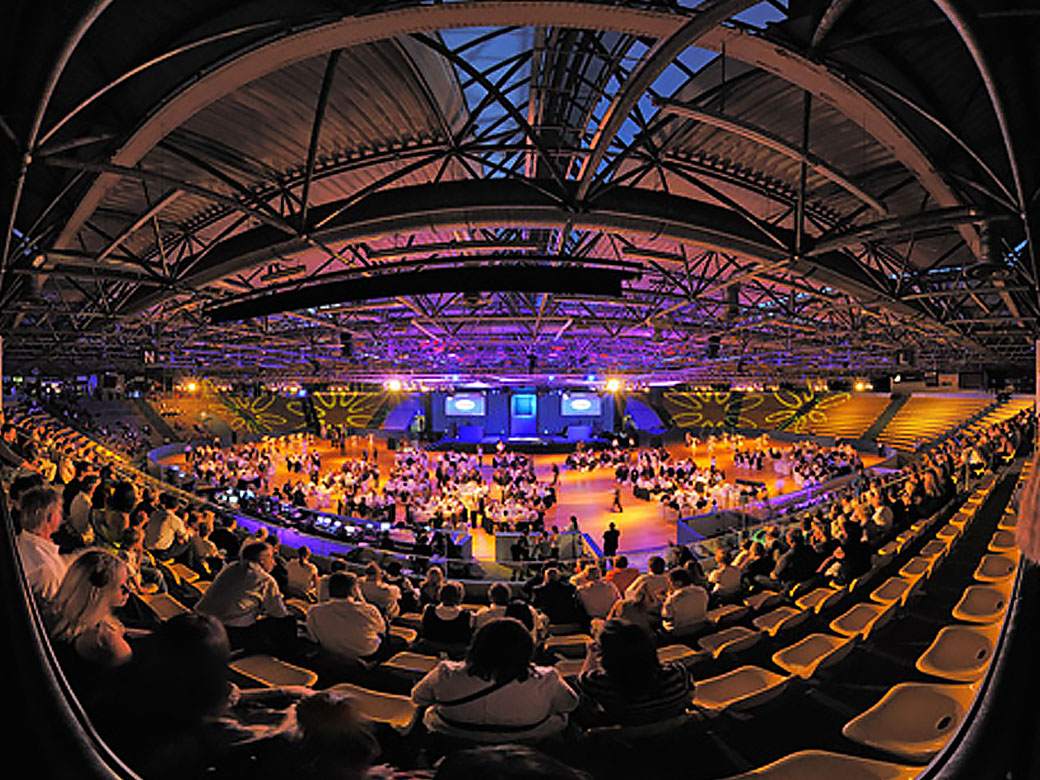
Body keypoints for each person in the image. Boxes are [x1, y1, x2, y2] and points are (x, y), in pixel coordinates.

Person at [411, 617, 579, 743]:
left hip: (452, 739)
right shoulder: (547, 679)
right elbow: (570, 704)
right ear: (527, 649)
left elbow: (418, 697)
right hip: (529, 743)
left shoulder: (445, 673)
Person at [576, 620, 692, 727]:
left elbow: (582, 681)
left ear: (606, 656)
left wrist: (591, 654)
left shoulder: (599, 684)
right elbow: (688, 698)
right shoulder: (677, 674)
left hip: (626, 740)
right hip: (673, 737)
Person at [195, 540, 294, 654]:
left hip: (201, 620)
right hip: (228, 632)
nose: (275, 563)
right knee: (287, 622)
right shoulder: (265, 580)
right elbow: (279, 613)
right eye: (272, 558)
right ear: (262, 560)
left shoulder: (231, 567)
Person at [47, 548, 134, 672]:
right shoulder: (103, 641)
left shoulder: (54, 613)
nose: (129, 590)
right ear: (98, 595)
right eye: (121, 586)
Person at [305, 572, 398, 664]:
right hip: (366, 654)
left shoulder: (314, 611)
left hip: (329, 656)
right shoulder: (369, 610)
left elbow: (314, 638)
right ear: (354, 591)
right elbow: (381, 630)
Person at [15, 485, 68, 601]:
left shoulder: (21, 541)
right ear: (49, 517)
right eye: (59, 511)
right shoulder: (46, 571)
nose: (62, 516)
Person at [419, 580, 473, 654]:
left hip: (429, 652)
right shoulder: (467, 615)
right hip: (456, 654)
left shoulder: (428, 610)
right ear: (459, 596)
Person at [660, 567, 709, 635]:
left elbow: (666, 616)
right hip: (702, 624)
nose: (669, 585)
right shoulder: (701, 591)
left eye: (670, 582)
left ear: (679, 582)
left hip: (682, 630)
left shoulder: (673, 599)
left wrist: (665, 600)